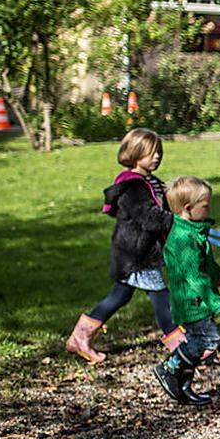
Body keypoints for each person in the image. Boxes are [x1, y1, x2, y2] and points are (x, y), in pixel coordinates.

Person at [66, 128, 183, 364]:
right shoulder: (131, 187)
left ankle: (80, 337)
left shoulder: (150, 182)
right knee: (161, 297)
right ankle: (180, 347)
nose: (157, 156)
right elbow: (150, 217)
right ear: (134, 154)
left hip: (137, 253)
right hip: (137, 255)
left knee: (119, 296)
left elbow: (164, 208)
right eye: (151, 153)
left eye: (159, 151)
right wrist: (177, 222)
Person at [153, 177, 220, 405]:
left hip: (198, 299)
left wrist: (217, 276)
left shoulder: (193, 231)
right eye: (205, 206)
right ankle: (169, 368)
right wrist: (216, 302)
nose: (209, 209)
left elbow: (205, 262)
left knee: (199, 339)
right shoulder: (183, 239)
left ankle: (182, 386)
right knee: (208, 339)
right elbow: (195, 277)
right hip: (191, 301)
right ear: (188, 209)